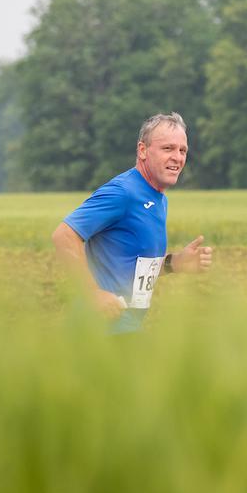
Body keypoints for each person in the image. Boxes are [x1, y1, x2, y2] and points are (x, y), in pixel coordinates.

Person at [51, 112, 212, 333]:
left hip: (125, 326)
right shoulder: (123, 192)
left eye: (182, 150)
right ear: (143, 150)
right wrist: (93, 293)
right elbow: (64, 235)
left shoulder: (158, 198)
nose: (177, 157)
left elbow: (132, 267)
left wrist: (175, 263)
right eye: (168, 148)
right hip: (100, 329)